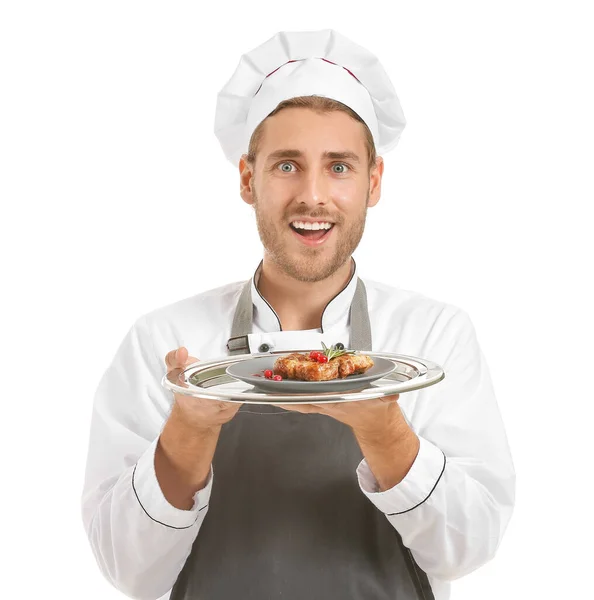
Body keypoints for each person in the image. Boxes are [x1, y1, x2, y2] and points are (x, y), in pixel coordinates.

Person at [81, 29, 515, 600]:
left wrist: (385, 429)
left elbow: (470, 547)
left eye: (339, 167)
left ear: (373, 181)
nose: (314, 195)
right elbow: (129, 572)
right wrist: (187, 430)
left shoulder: (434, 337)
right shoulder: (167, 341)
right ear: (247, 178)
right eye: (287, 166)